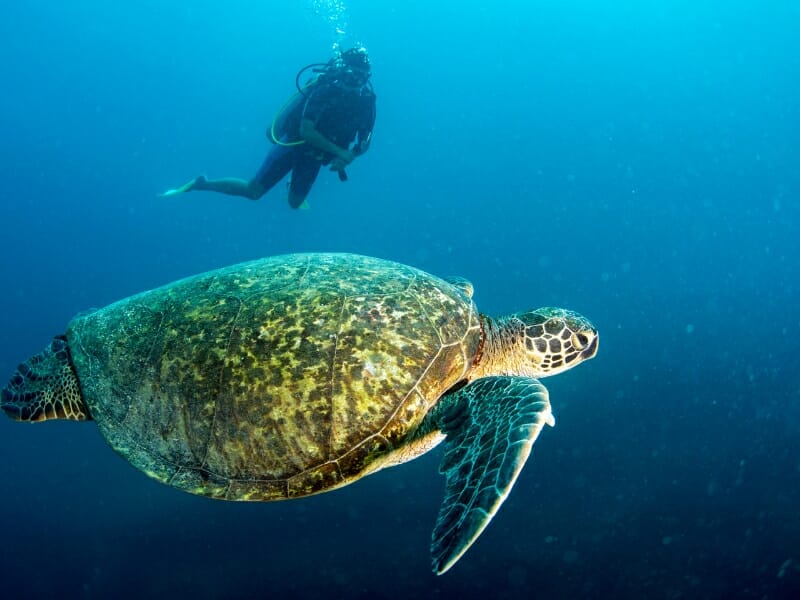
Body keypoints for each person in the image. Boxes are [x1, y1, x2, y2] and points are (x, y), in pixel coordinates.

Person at [161, 46, 376, 209]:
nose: (355, 81)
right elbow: (306, 130)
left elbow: (365, 140)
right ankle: (202, 184)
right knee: (253, 191)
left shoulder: (367, 100)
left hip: (317, 156)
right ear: (342, 71)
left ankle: (292, 184)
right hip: (293, 144)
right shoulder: (324, 90)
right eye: (351, 74)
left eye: (361, 76)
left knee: (294, 204)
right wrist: (339, 152)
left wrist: (351, 154)